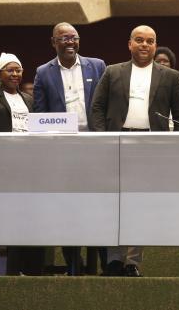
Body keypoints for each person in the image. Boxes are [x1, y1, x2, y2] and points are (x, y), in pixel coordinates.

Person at [91, 25, 179, 277]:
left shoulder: (170, 76)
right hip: (117, 143)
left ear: (155, 46)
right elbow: (97, 109)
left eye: (150, 41)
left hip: (152, 147)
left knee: (140, 204)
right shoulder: (112, 72)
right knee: (112, 203)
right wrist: (104, 142)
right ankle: (113, 260)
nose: (144, 45)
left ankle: (132, 261)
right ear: (129, 44)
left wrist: (175, 151)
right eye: (139, 40)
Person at [32, 22, 106, 273]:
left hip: (95, 148)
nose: (70, 42)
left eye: (74, 38)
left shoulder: (97, 66)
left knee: (99, 205)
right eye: (64, 38)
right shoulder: (43, 72)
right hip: (61, 152)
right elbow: (40, 115)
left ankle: (105, 263)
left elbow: (105, 104)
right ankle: (74, 263)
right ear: (53, 42)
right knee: (66, 206)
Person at [0, 53, 39, 275]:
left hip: (27, 167)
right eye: (10, 70)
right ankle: (5, 269)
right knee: (5, 217)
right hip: (1, 166)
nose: (15, 74)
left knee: (25, 217)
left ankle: (26, 267)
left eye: (18, 70)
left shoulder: (29, 99)